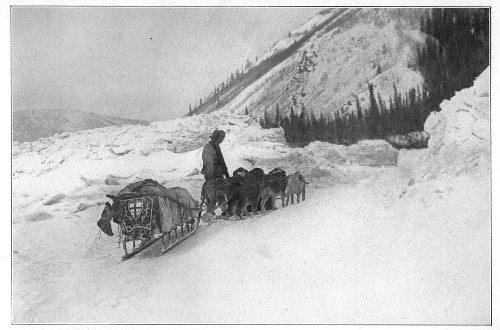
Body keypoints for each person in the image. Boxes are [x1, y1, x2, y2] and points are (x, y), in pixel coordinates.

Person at [201, 129, 230, 220]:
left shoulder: (217, 147)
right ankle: (209, 215)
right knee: (212, 198)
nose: (221, 141)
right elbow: (209, 164)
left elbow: (222, 162)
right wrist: (212, 176)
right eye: (220, 139)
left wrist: (227, 174)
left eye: (222, 139)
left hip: (219, 176)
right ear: (215, 138)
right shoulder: (208, 148)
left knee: (221, 194)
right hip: (212, 177)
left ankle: (225, 211)